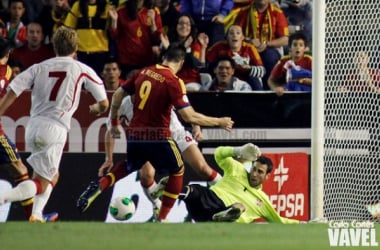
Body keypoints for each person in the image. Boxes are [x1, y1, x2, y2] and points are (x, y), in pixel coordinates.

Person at [77, 44, 234, 222]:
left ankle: (101, 185)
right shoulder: (173, 81)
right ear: (181, 62)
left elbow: (117, 94)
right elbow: (188, 114)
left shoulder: (143, 72)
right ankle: (162, 215)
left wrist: (113, 122)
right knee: (176, 170)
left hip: (152, 135)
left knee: (133, 165)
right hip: (161, 135)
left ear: (163, 58)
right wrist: (218, 121)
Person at [0, 26, 109, 222]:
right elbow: (104, 104)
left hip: (32, 127)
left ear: (54, 46)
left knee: (50, 174)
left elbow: (13, 91)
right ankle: (3, 197)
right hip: (55, 129)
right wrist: (94, 109)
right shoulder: (82, 70)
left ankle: (36, 215)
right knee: (42, 182)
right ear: (76, 47)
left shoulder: (39, 66)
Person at [177, 143, 300, 223]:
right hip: (210, 198)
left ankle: (224, 216)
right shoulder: (237, 169)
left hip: (217, 215)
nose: (255, 174)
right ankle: (169, 190)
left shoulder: (262, 201)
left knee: (239, 207)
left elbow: (279, 221)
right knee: (193, 190)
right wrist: (237, 151)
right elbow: (219, 154)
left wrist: (303, 223)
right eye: (254, 169)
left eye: (260, 172)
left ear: (267, 176)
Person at [224, 0, 289, 89]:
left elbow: (285, 40)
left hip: (269, 48)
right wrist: (249, 41)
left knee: (269, 56)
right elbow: (236, 33)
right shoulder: (243, 12)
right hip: (247, 48)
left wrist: (266, 44)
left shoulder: (277, 13)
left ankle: (268, 91)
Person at [108, 0, 163, 78]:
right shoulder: (121, 11)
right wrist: (114, 21)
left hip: (146, 60)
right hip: (126, 61)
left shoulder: (153, 11)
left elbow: (157, 38)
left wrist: (153, 22)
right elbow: (114, 36)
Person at [206, 24, 265, 90]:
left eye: (238, 33)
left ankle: (259, 99)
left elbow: (262, 71)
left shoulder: (250, 48)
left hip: (245, 79)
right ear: (227, 37)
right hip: (225, 78)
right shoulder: (219, 47)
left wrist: (249, 68)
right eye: (231, 33)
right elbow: (207, 63)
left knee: (254, 78)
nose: (234, 35)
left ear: (242, 37)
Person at [160, 13, 208, 90]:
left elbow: (194, 64)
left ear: (191, 27)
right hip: (171, 81)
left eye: (187, 24)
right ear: (176, 26)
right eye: (181, 23)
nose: (184, 26)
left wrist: (186, 49)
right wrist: (167, 49)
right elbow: (162, 64)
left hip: (191, 83)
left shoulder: (195, 44)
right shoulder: (169, 42)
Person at [64, 0, 112, 75]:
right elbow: (69, 29)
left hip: (100, 52)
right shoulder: (78, 5)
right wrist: (72, 51)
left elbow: (112, 31)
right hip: (81, 52)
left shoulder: (106, 6)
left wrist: (114, 20)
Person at [268, 32, 312, 96]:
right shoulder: (283, 61)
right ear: (289, 48)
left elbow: (318, 82)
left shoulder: (310, 61)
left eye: (301, 45)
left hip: (307, 95)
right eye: (295, 45)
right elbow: (271, 80)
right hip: (289, 95)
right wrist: (276, 88)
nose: (298, 47)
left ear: (305, 48)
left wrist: (300, 80)